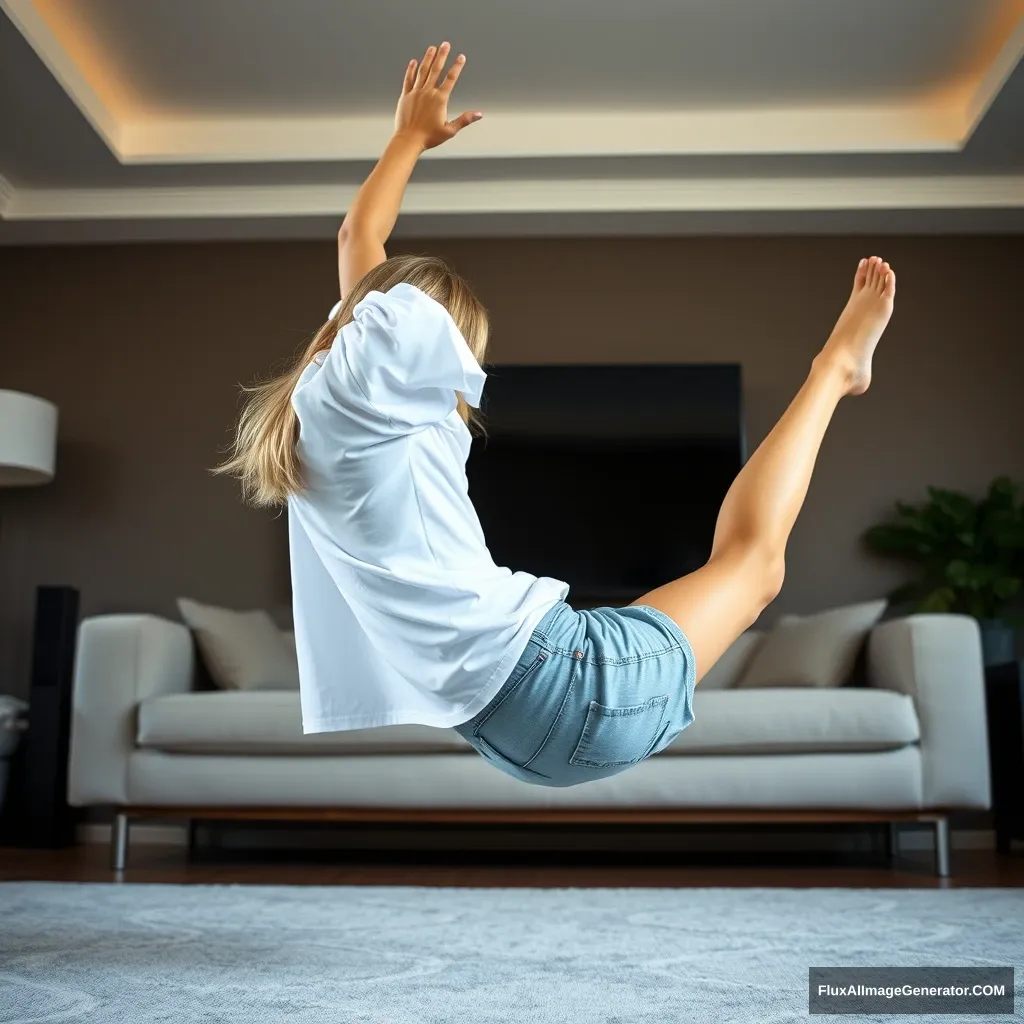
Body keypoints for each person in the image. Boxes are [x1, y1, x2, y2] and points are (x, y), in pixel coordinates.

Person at [216, 42, 896, 788]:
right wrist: (410, 154)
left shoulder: (332, 424)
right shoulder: (369, 378)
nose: (457, 381)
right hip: (564, 686)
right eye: (455, 348)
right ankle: (834, 371)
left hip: (512, 733)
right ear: (402, 329)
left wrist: (409, 139)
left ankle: (835, 373)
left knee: (746, 566)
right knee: (753, 565)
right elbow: (370, 268)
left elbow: (359, 246)